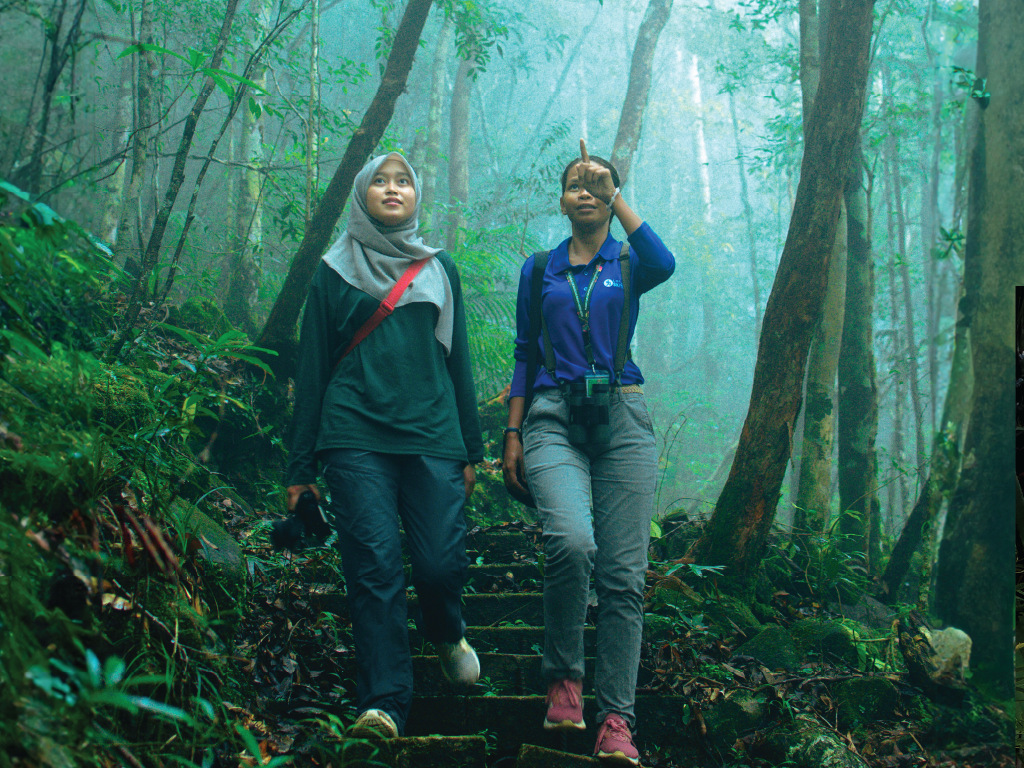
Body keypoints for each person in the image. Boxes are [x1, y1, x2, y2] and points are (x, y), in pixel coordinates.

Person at [285, 151, 483, 740]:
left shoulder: (438, 268)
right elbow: (313, 369)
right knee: (372, 566)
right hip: (353, 435)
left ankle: (445, 631)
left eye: (403, 182)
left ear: (417, 196)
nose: (392, 189)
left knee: (439, 565)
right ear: (361, 194)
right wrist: (300, 468)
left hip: (432, 437)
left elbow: (460, 365)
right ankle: (385, 703)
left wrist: (472, 450)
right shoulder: (331, 270)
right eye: (380, 181)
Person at [502, 139, 674, 765]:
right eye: (575, 182)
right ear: (562, 199)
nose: (585, 189)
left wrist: (616, 189)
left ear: (609, 196)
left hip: (623, 415)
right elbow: (524, 351)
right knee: (572, 541)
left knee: (624, 578)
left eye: (596, 183)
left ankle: (617, 722)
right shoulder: (539, 267)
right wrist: (512, 432)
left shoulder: (628, 264)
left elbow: (666, 259)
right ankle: (565, 678)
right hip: (552, 416)